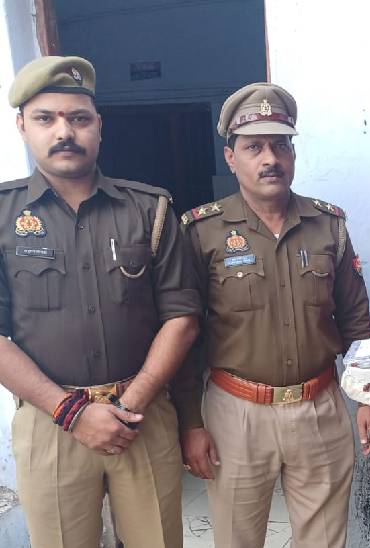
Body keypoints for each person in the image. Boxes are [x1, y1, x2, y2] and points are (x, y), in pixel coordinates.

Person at [0, 55, 201, 548]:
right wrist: (71, 412)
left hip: (142, 417)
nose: (64, 131)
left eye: (79, 118)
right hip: (50, 424)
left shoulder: (148, 210)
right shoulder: (4, 216)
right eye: (46, 118)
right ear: (22, 126)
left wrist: (129, 404)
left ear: (98, 126)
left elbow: (182, 317)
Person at [172, 82, 370, 548]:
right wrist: (189, 422)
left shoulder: (328, 225)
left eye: (280, 145)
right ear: (231, 158)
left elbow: (355, 321)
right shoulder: (202, 232)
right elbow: (185, 335)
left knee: (324, 539)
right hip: (236, 413)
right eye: (254, 147)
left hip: (319, 407)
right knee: (237, 539)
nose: (271, 158)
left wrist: (367, 398)